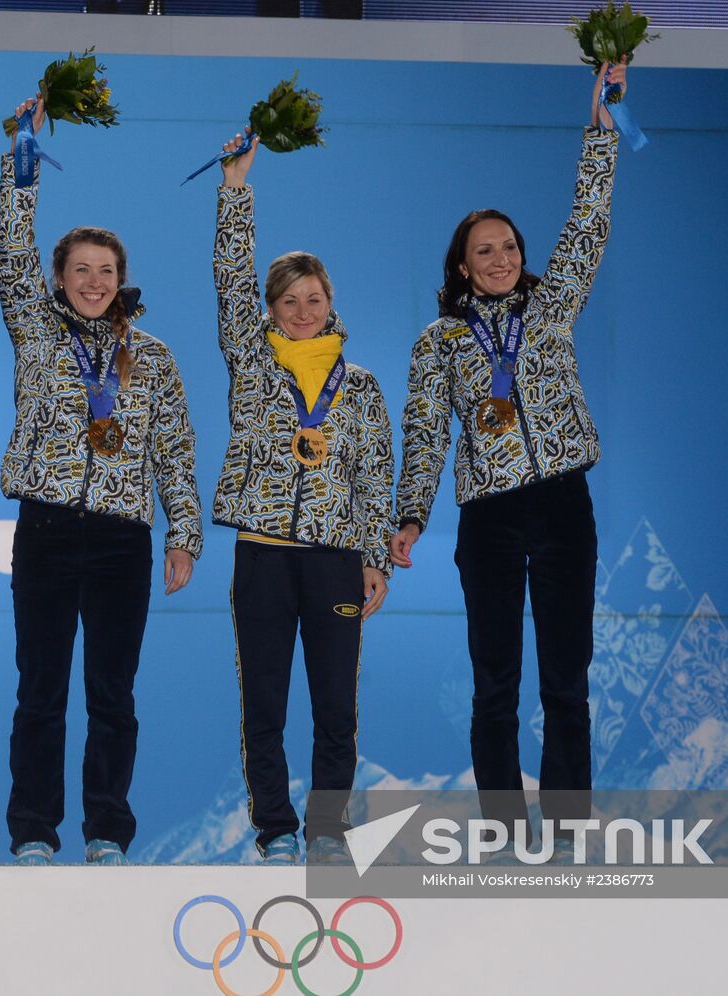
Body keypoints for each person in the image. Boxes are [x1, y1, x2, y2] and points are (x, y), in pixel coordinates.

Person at [391, 64, 628, 849]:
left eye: (509, 246)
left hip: (563, 502)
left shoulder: (551, 307)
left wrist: (601, 126)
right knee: (495, 683)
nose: (498, 258)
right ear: (460, 265)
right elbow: (425, 433)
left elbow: (588, 222)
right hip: (487, 518)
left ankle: (564, 831)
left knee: (567, 677)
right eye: (482, 250)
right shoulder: (438, 342)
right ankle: (501, 829)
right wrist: (408, 517)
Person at [0, 98, 203, 866]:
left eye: (105, 271)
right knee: (41, 691)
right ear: (57, 278)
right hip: (48, 529)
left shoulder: (151, 356)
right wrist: (21, 167)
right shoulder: (34, 331)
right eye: (79, 270)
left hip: (123, 540)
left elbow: (175, 450)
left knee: (113, 695)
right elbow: (8, 256)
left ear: (122, 280)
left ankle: (108, 832)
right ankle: (33, 832)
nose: (92, 281)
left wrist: (183, 536)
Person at [213, 129, 394, 865]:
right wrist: (235, 190)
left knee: (336, 708)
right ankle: (276, 829)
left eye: (313, 298)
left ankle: (325, 829)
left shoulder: (363, 388)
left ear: (331, 302)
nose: (301, 310)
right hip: (262, 553)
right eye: (287, 300)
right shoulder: (252, 363)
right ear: (270, 308)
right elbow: (230, 282)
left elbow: (377, 477)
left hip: (334, 560)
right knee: (264, 701)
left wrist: (374, 556)